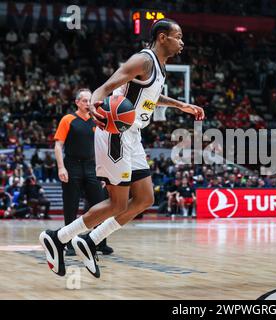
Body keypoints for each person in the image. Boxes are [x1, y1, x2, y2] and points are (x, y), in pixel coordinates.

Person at [39, 19, 205, 278]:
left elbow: (151, 96)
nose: (182, 41)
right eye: (178, 36)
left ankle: (90, 241)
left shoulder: (159, 67)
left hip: (133, 135)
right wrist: (94, 103)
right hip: (116, 133)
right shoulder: (143, 60)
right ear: (162, 37)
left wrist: (180, 105)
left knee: (145, 199)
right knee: (118, 203)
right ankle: (58, 237)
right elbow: (108, 85)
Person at [54, 88, 113, 256]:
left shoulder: (97, 121)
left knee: (100, 206)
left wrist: (104, 172)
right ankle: (69, 243)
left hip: (92, 167)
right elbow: (58, 146)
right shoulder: (68, 119)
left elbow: (103, 148)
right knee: (70, 206)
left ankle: (100, 242)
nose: (88, 104)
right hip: (72, 166)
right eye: (85, 101)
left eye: (90, 100)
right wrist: (61, 167)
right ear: (77, 103)